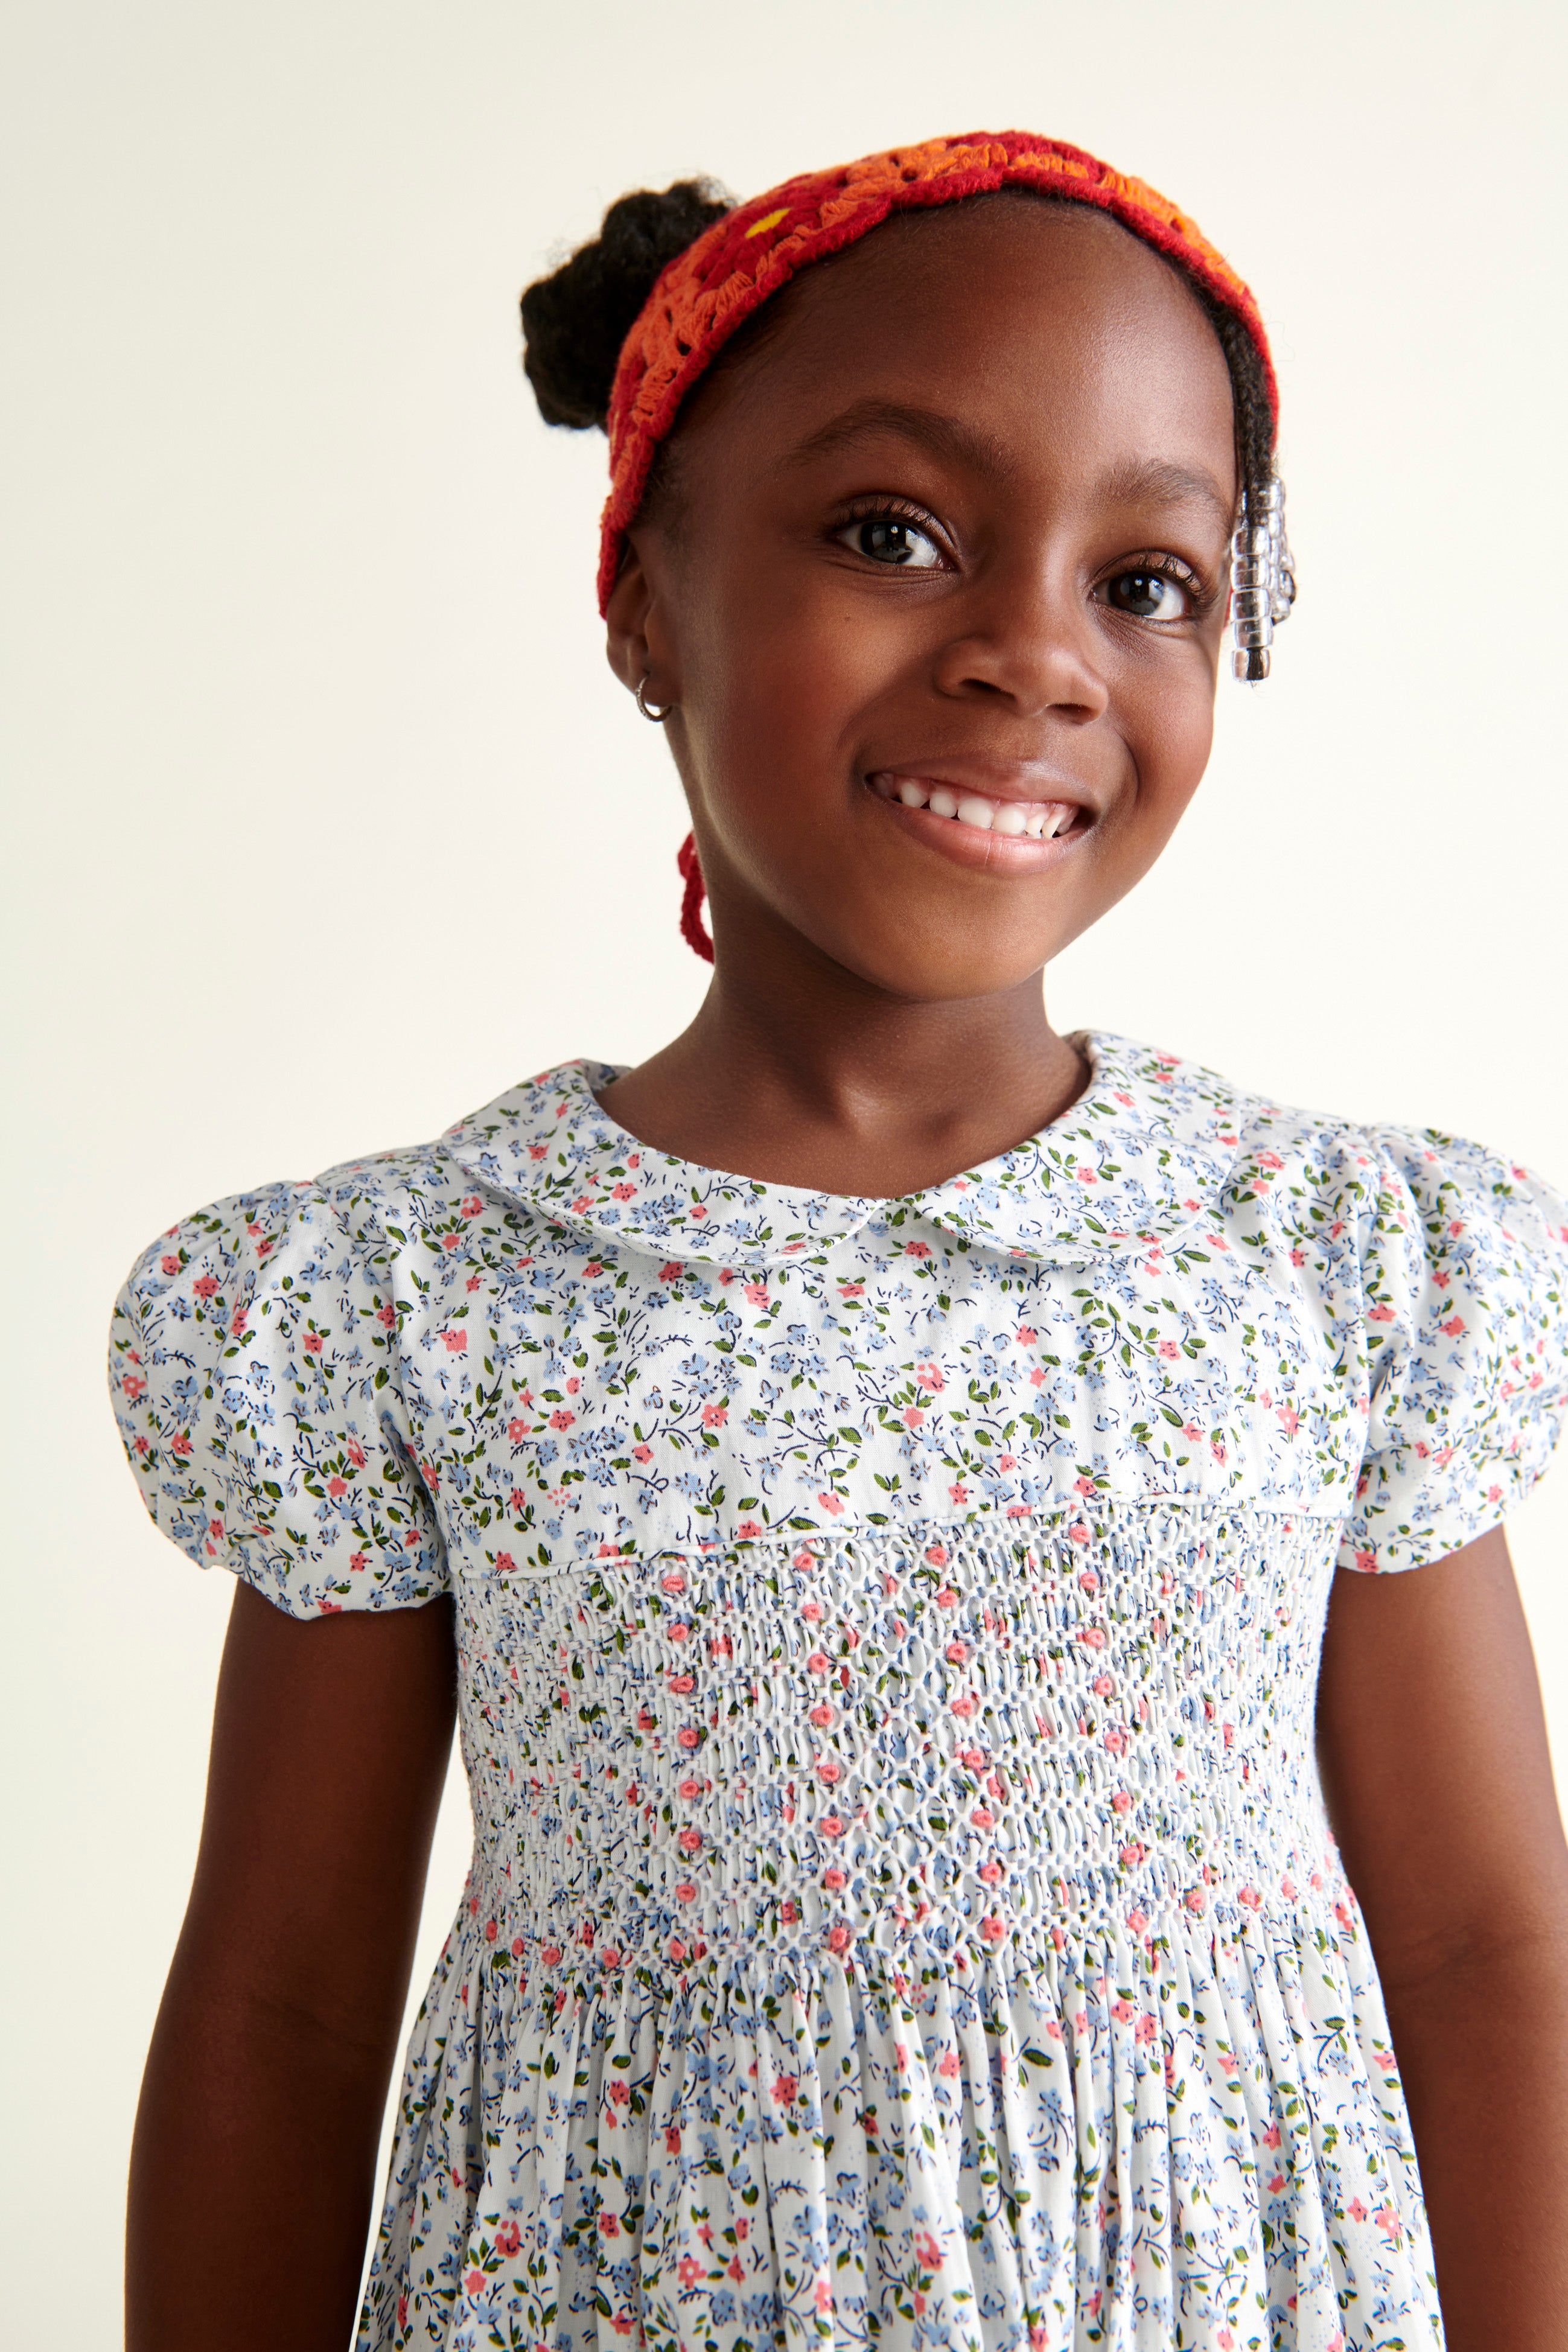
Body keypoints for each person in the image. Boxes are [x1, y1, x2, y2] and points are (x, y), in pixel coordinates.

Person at [109, 131, 1568, 2352]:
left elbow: (1487, 1946)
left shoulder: (1331, 1267)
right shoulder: (409, 1307)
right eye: (895, 535)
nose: (1034, 656)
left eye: (1148, 581)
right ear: (642, 599)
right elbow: (284, 2010)